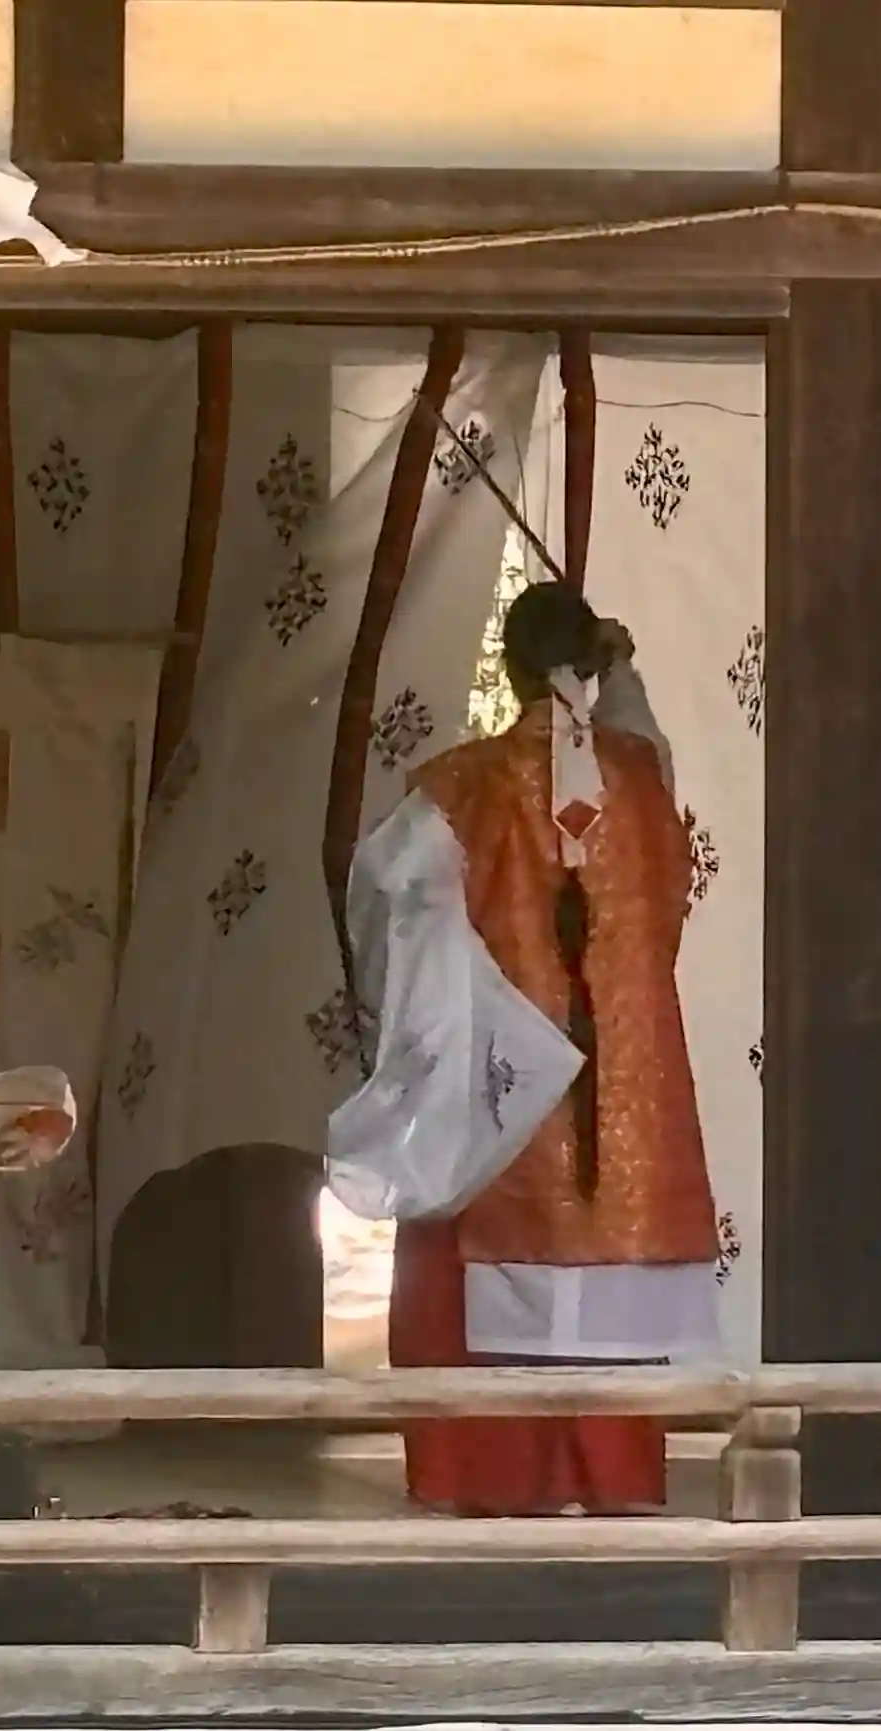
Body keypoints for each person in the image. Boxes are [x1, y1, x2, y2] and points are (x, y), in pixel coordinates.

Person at [331, 582, 717, 1516]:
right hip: (630, 1096)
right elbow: (638, 738)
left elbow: (385, 898)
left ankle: (495, 1478)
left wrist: (398, 1029)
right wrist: (619, 669)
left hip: (510, 1094)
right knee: (604, 1269)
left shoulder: (460, 787)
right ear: (592, 666)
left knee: (474, 1249)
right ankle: (612, 1479)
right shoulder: (643, 777)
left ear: (507, 670)